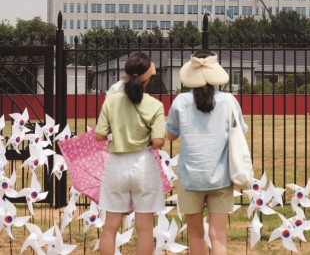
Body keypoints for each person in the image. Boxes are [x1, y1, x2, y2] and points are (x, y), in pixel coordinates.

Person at [166, 50, 248, 255]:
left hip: (190, 178)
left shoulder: (180, 101)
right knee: (218, 234)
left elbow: (170, 135)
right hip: (221, 177)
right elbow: (241, 131)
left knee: (194, 234)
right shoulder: (229, 101)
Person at [95, 52, 166, 255]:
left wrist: (117, 132)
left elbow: (99, 136)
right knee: (145, 228)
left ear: (125, 75)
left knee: (110, 227)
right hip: (144, 165)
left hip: (116, 164)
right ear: (146, 79)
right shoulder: (155, 105)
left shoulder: (111, 101)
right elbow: (158, 142)